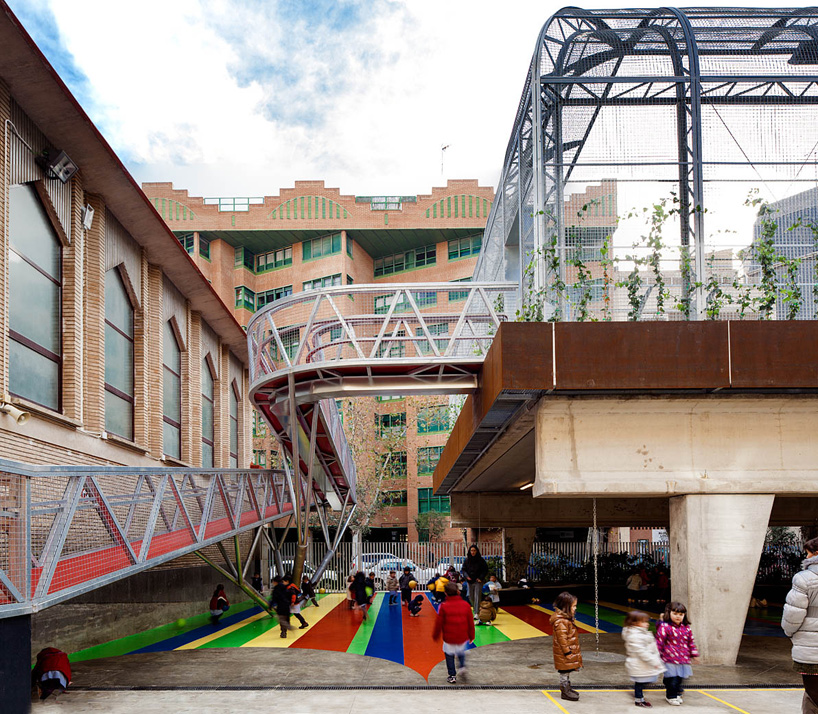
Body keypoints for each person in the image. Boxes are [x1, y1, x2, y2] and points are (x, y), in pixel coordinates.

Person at [782, 536, 818, 714]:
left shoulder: (804, 579)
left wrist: (790, 633)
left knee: (813, 693)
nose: (806, 556)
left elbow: (793, 616)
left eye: (808, 553)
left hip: (811, 649)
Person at [655, 601, 698, 706]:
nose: (678, 616)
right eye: (675, 614)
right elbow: (659, 642)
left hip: (683, 658)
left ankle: (676, 692)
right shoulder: (665, 627)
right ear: (669, 613)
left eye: (681, 614)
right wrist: (656, 655)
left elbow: (690, 642)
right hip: (669, 659)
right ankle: (671, 696)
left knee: (680, 678)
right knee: (672, 679)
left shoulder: (686, 628)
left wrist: (694, 654)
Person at [432, 581, 475, 684]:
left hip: (449, 636)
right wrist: (471, 635)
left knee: (449, 655)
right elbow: (470, 622)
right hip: (462, 635)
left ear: (445, 593)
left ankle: (452, 675)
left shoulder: (443, 606)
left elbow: (439, 623)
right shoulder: (466, 605)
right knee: (461, 651)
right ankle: (462, 667)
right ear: (458, 592)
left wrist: (436, 635)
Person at [622, 610, 665, 708]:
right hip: (640, 664)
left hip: (643, 664)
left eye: (647, 621)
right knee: (641, 682)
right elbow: (641, 652)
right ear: (634, 623)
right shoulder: (635, 635)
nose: (647, 624)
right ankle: (639, 699)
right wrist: (653, 660)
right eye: (644, 622)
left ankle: (638, 693)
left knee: (644, 681)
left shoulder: (641, 632)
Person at [550, 591, 582, 701]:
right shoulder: (561, 622)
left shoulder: (566, 619)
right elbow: (562, 639)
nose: (575, 608)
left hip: (567, 651)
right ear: (566, 607)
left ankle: (567, 688)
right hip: (564, 652)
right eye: (574, 606)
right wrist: (567, 652)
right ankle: (564, 691)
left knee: (567, 670)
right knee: (564, 671)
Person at [462, 544, 489, 618]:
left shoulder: (481, 560)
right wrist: (466, 576)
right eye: (471, 550)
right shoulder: (467, 560)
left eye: (474, 550)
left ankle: (476, 613)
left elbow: (485, 570)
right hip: (470, 581)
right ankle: (476, 608)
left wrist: (480, 578)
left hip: (478, 581)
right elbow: (463, 570)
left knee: (477, 596)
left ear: (476, 551)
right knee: (470, 596)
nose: (472, 552)